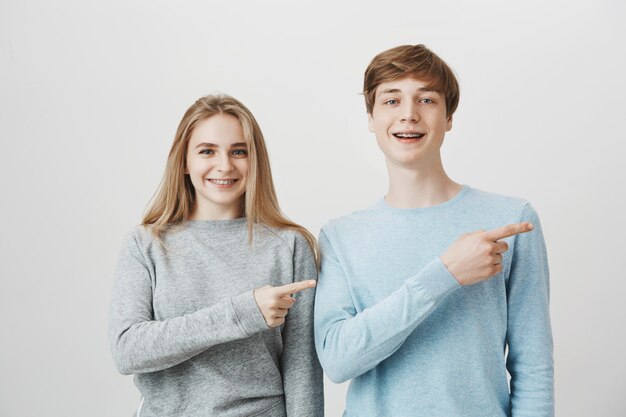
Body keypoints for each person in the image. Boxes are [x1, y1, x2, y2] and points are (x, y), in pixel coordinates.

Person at [314, 45, 553, 416]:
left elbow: (533, 366)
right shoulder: (341, 236)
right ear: (371, 117)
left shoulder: (510, 218)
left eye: (426, 99)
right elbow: (338, 361)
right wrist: (444, 275)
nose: (408, 115)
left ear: (449, 116)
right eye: (391, 101)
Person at [109, 94, 323, 417]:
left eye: (239, 151)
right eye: (207, 151)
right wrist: (242, 313)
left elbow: (303, 372)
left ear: (255, 161)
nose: (224, 165)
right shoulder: (146, 245)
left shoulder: (290, 246)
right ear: (184, 161)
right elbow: (128, 350)